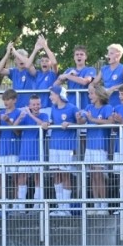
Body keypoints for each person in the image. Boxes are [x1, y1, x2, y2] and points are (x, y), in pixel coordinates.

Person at [77, 84, 114, 214]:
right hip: (90, 146)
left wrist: (92, 119)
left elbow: (111, 122)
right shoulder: (89, 107)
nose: (89, 96)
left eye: (91, 93)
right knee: (93, 175)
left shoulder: (107, 107)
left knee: (100, 175)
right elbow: (82, 122)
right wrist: (79, 118)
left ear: (98, 94)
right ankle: (96, 204)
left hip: (101, 146)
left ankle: (104, 205)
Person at [14, 94, 50, 212]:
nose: (36, 106)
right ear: (29, 105)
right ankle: (21, 206)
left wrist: (30, 115)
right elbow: (14, 129)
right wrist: (20, 117)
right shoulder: (25, 117)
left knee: (38, 179)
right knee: (22, 178)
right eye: (33, 104)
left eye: (38, 104)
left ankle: (36, 206)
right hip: (24, 153)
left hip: (37, 153)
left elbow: (44, 125)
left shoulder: (44, 115)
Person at [47, 86, 78, 216]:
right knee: (56, 174)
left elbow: (81, 123)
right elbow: (52, 121)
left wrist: (70, 124)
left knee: (65, 174)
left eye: (52, 94)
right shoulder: (53, 108)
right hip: (54, 145)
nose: (50, 97)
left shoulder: (72, 108)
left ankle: (66, 208)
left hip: (66, 146)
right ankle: (60, 206)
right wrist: (47, 124)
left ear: (59, 95)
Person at [101, 43, 123, 108]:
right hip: (107, 104)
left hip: (120, 104)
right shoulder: (104, 69)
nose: (108, 56)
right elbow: (94, 83)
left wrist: (114, 88)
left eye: (111, 53)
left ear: (118, 55)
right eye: (108, 53)